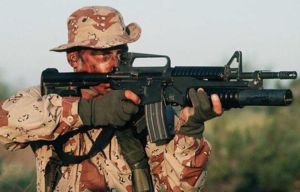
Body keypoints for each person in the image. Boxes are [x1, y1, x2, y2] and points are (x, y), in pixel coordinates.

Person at [0, 6, 222, 192]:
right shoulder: (47, 97)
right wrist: (90, 111)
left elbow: (179, 188)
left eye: (121, 54)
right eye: (105, 55)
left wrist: (190, 131)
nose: (116, 64)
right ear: (73, 59)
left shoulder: (148, 109)